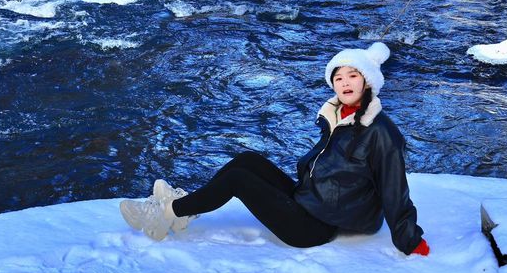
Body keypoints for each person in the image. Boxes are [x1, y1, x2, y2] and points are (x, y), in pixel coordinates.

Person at [120, 42, 429, 257]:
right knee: (248, 160)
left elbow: (395, 189)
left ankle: (166, 215)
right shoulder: (338, 115)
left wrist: (409, 239)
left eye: (353, 76)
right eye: (338, 77)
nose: (345, 83)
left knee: (239, 180)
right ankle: (186, 208)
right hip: (310, 200)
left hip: (315, 226)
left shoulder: (380, 131)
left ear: (367, 81)